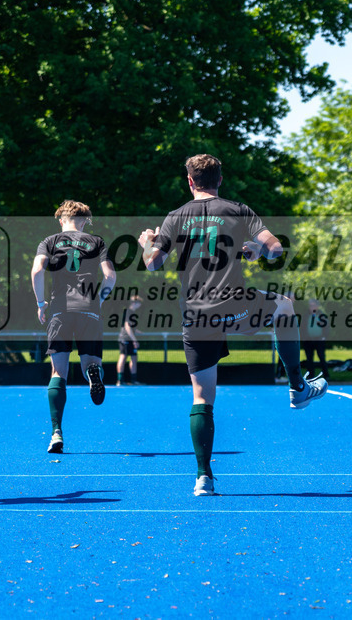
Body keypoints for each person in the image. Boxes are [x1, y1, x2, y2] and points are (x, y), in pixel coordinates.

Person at [137, 154, 327, 496]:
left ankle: (203, 478)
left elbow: (152, 264)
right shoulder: (238, 210)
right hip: (236, 308)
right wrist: (257, 249)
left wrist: (145, 243)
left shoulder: (175, 216)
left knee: (202, 398)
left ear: (191, 182)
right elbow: (276, 249)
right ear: (220, 180)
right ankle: (297, 386)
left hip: (196, 315)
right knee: (283, 306)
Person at [32, 200, 116, 453]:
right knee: (92, 362)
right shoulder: (97, 242)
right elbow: (111, 276)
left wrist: (41, 303)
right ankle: (93, 371)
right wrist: (99, 299)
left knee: (58, 373)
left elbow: (37, 272)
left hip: (60, 310)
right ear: (86, 221)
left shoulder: (49, 241)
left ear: (61, 220)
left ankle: (56, 432)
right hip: (89, 309)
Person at [116, 296, 143, 386]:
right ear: (134, 303)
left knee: (134, 358)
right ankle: (120, 380)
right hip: (125, 339)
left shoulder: (132, 313)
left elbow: (131, 327)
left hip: (130, 339)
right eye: (139, 303)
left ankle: (133, 380)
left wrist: (139, 332)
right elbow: (127, 327)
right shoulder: (128, 311)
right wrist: (134, 340)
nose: (140, 306)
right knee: (123, 357)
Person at [302, 299, 330, 380]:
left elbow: (327, 327)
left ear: (317, 306)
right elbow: (302, 327)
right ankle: (310, 376)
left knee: (321, 357)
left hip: (319, 340)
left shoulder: (322, 315)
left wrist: (324, 336)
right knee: (309, 358)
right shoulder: (306, 315)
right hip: (308, 340)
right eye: (311, 305)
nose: (312, 307)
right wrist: (304, 337)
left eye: (314, 305)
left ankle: (326, 375)